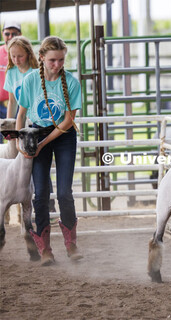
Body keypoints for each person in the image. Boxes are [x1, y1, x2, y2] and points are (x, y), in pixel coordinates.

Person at [16, 36, 83, 266]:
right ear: (42, 57)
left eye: (61, 60)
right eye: (53, 60)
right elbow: (21, 114)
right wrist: (19, 140)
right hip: (35, 135)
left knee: (64, 191)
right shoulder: (30, 80)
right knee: (40, 191)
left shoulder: (72, 83)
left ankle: (71, 243)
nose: (58, 65)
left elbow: (67, 122)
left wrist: (44, 143)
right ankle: (44, 247)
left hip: (63, 137)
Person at [4, 36, 38, 118]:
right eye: (13, 56)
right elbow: (12, 102)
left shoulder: (36, 72)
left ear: (28, 54)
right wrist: (10, 123)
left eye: (20, 56)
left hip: (37, 118)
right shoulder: (10, 72)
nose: (16, 60)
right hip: (22, 116)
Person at [0, 21, 22, 142]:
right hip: (1, 103)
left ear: (20, 34)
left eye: (14, 34)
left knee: (18, 137)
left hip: (19, 103)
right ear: (3, 34)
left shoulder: (25, 55)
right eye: (7, 33)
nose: (10, 37)